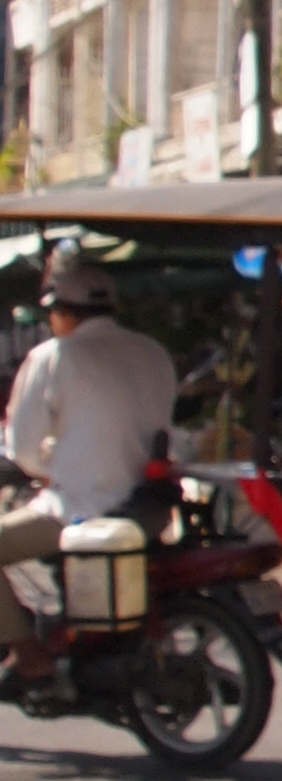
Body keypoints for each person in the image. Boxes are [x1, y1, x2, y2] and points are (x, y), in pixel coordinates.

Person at [2, 248, 178, 700]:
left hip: (84, 509)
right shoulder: (152, 351)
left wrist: (44, 470)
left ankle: (29, 655)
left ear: (62, 313)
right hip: (149, 509)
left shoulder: (53, 356)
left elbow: (21, 448)